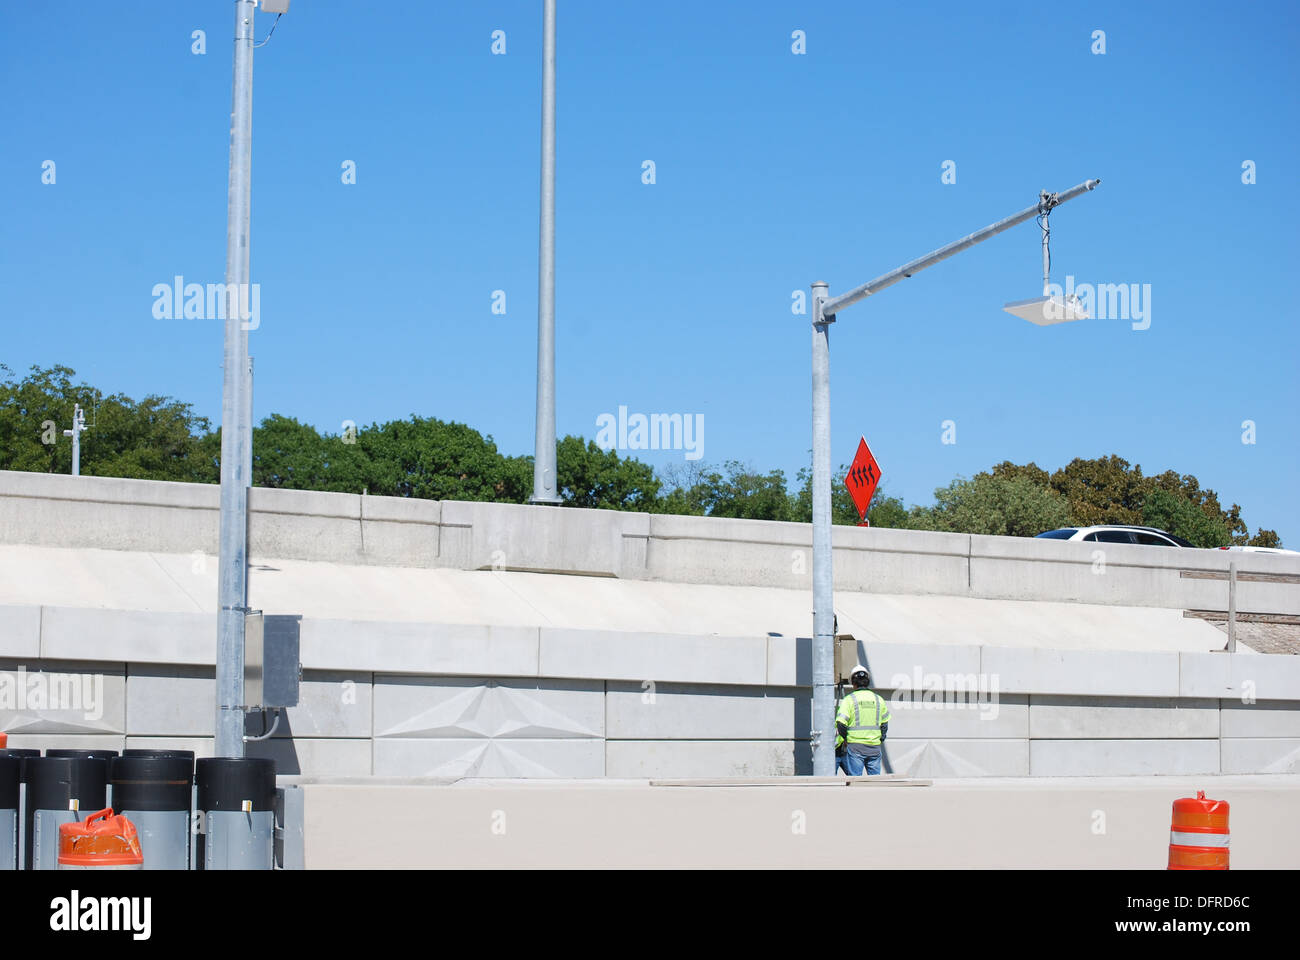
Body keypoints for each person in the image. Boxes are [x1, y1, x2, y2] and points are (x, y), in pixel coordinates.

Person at [835, 664, 890, 776]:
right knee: (875, 781)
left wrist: (846, 739)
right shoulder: (878, 699)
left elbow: (840, 723)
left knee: (855, 781)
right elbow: (885, 724)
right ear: (868, 681)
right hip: (874, 747)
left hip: (855, 747)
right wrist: (880, 739)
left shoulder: (849, 700)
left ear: (853, 683)